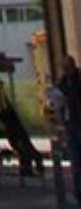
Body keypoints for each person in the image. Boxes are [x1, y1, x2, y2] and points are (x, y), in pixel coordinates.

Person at [57, 55, 81, 203]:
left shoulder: (79, 81)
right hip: (70, 125)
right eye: (64, 69)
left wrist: (70, 99)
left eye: (68, 68)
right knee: (75, 161)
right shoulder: (63, 82)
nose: (66, 71)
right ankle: (79, 192)